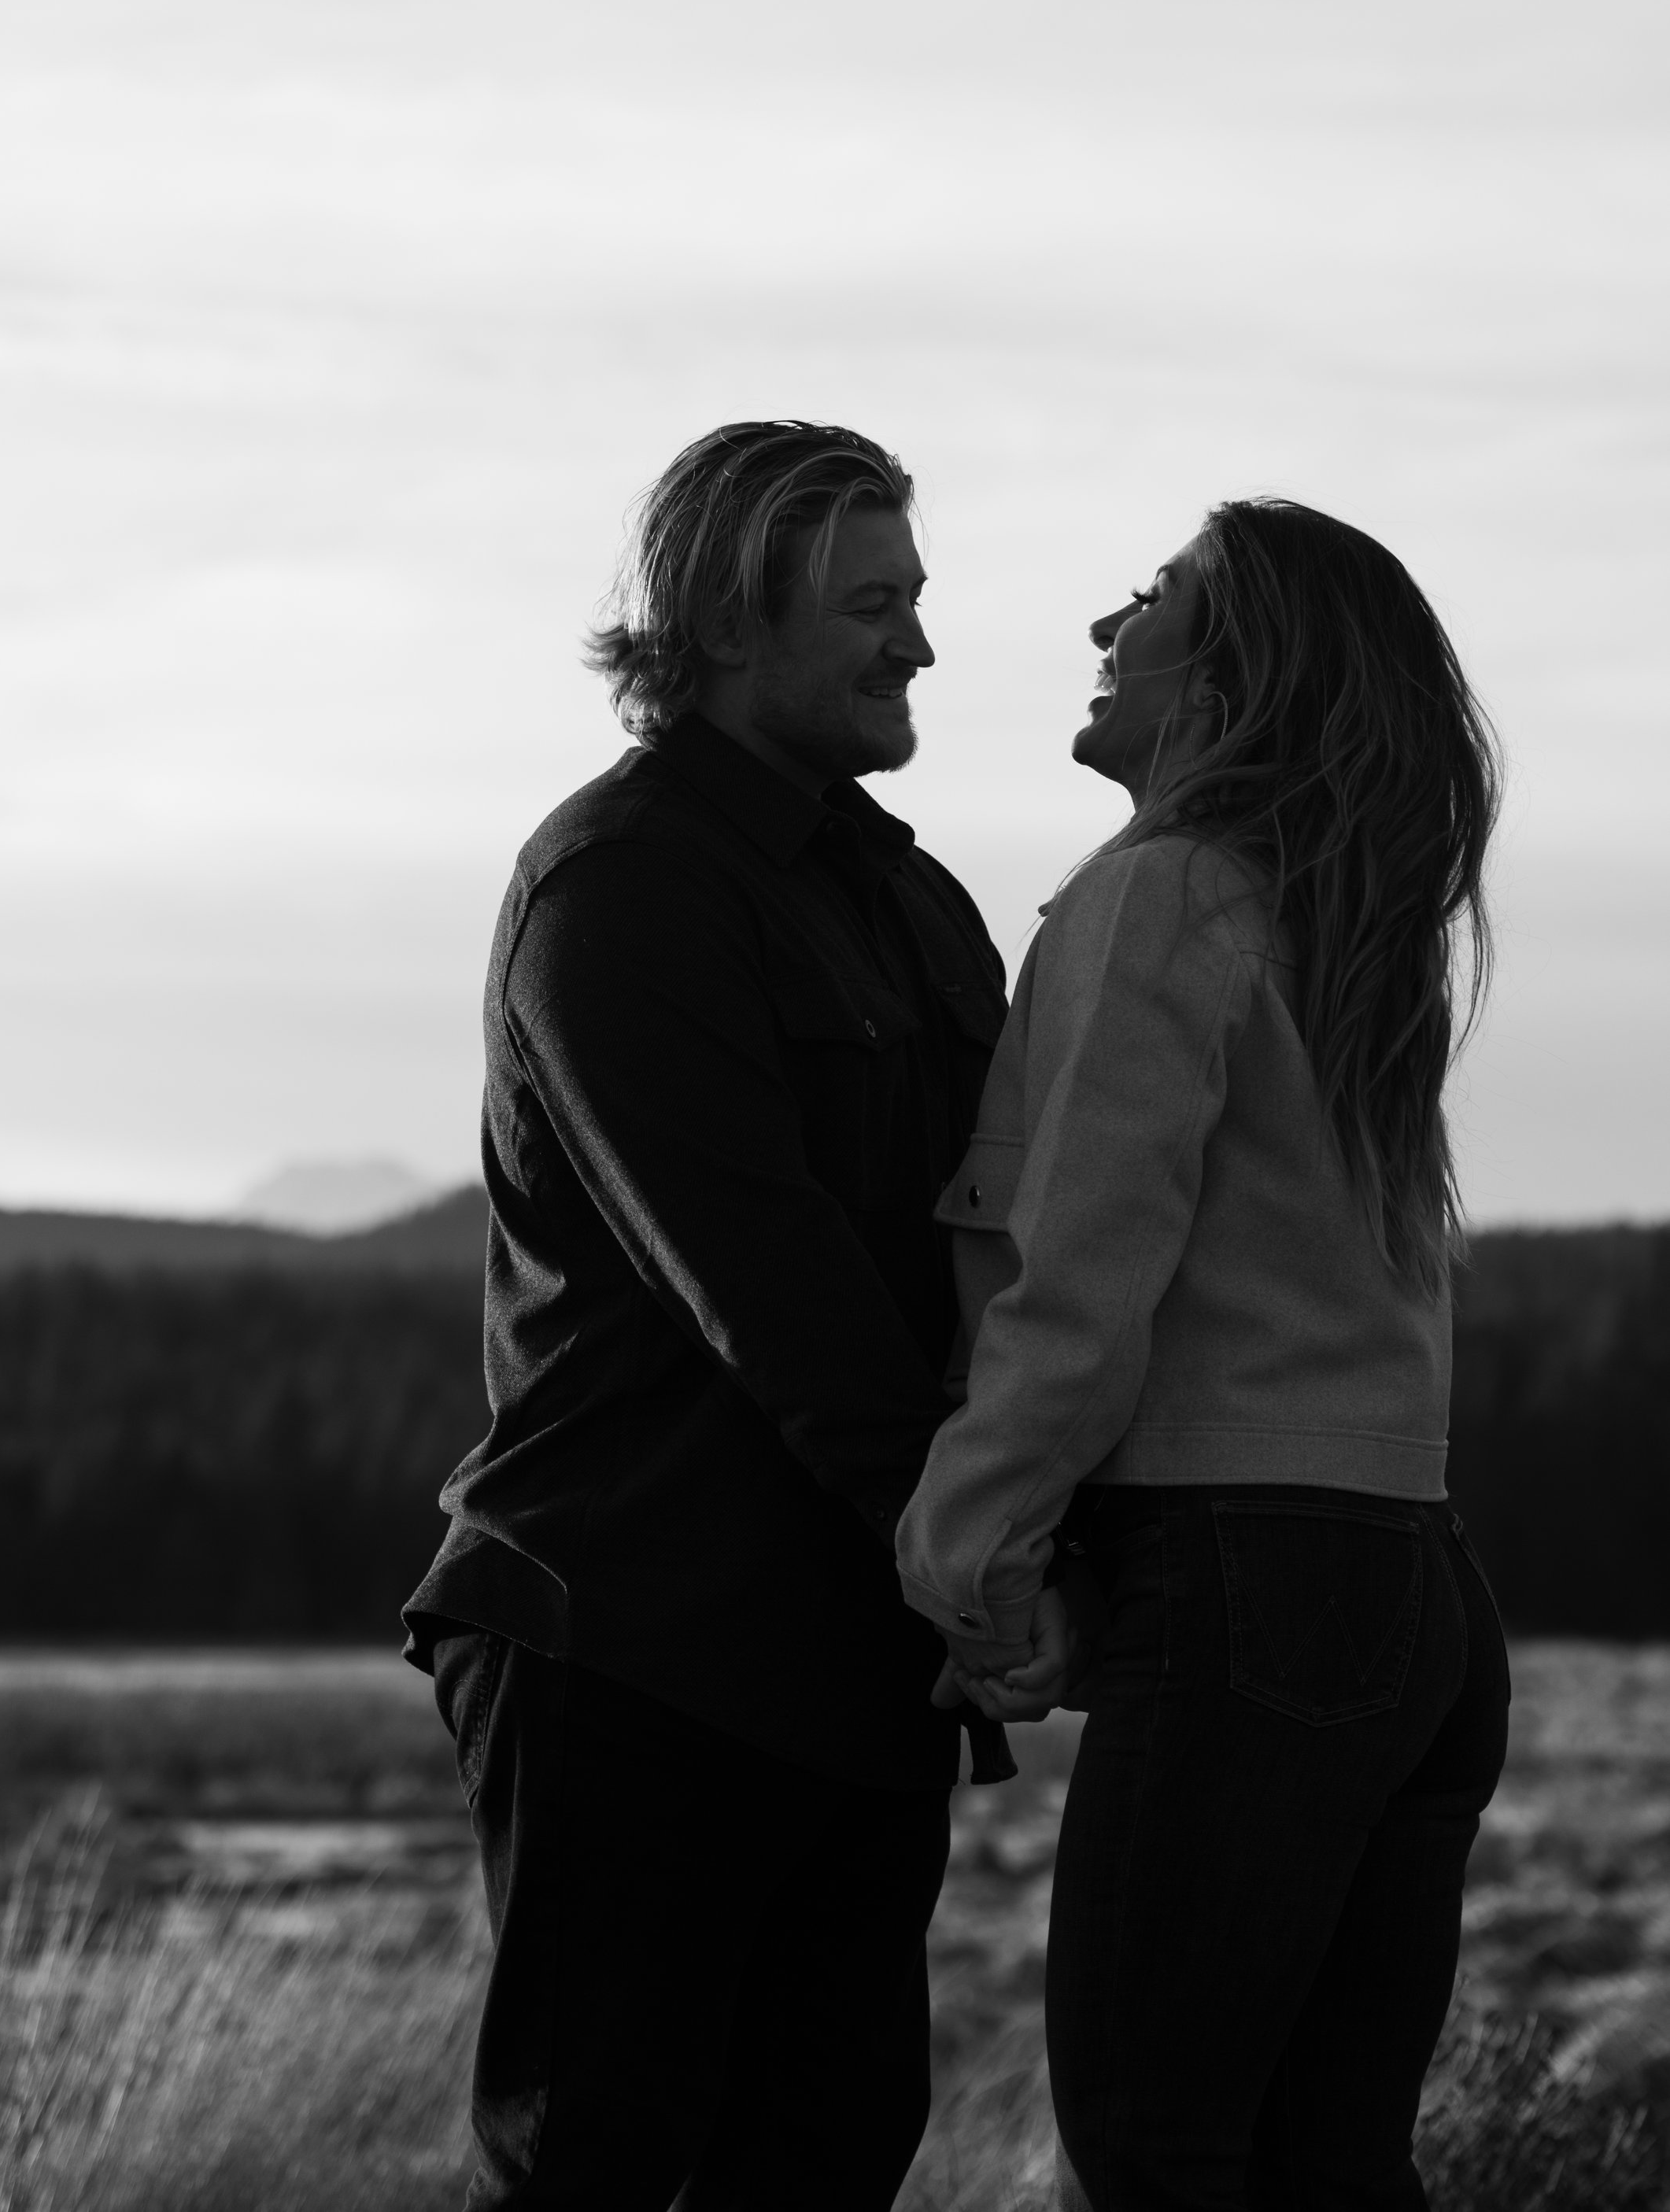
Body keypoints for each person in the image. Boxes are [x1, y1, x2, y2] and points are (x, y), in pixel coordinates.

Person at [403, 420, 1074, 2210]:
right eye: (870, 605)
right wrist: (967, 1552)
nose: (917, 645)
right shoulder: (616, 887)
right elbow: (760, 1283)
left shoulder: (915, 902)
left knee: (830, 2154)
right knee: (601, 2161)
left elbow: (987, 1270)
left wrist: (998, 1540)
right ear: (720, 620)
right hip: (631, 1636)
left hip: (856, 1648)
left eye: (914, 599)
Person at [894, 497, 1513, 2212]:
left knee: (1159, 2150)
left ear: (1230, 675)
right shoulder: (1341, 928)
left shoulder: (1162, 896)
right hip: (1413, 1592)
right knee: (1327, 2166)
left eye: (1153, 598)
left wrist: (966, 1552)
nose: (1105, 623)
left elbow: (1078, 1285)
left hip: (1251, 1587)